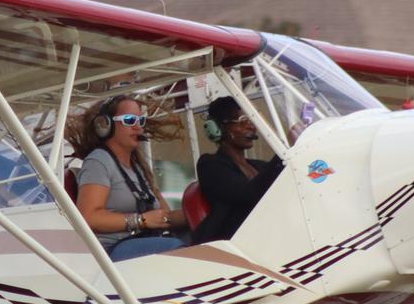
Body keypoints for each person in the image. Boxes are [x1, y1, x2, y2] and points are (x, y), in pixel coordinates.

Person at [71, 93, 186, 261]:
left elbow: (164, 215)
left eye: (141, 121)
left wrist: (195, 215)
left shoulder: (138, 167)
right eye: (130, 120)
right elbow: (89, 217)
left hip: (144, 240)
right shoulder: (98, 161)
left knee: (203, 242)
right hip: (112, 250)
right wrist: (140, 220)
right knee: (178, 251)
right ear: (105, 125)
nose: (138, 127)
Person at [192, 95, 285, 245]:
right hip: (235, 245)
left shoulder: (259, 166)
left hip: (270, 237)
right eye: (242, 121)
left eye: (251, 120)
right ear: (218, 128)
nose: (251, 126)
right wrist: (282, 155)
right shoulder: (209, 164)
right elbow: (248, 193)